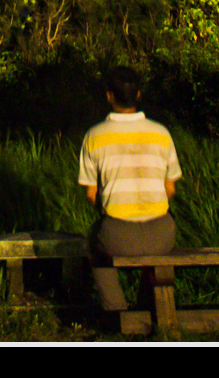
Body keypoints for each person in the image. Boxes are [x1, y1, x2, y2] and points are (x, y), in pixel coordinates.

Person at [77, 65, 181, 315]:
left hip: (117, 235)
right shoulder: (161, 134)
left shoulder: (94, 136)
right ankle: (148, 306)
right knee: (154, 254)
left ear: (109, 96)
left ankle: (116, 311)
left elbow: (91, 194)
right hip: (162, 234)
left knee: (94, 243)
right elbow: (170, 188)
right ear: (138, 95)